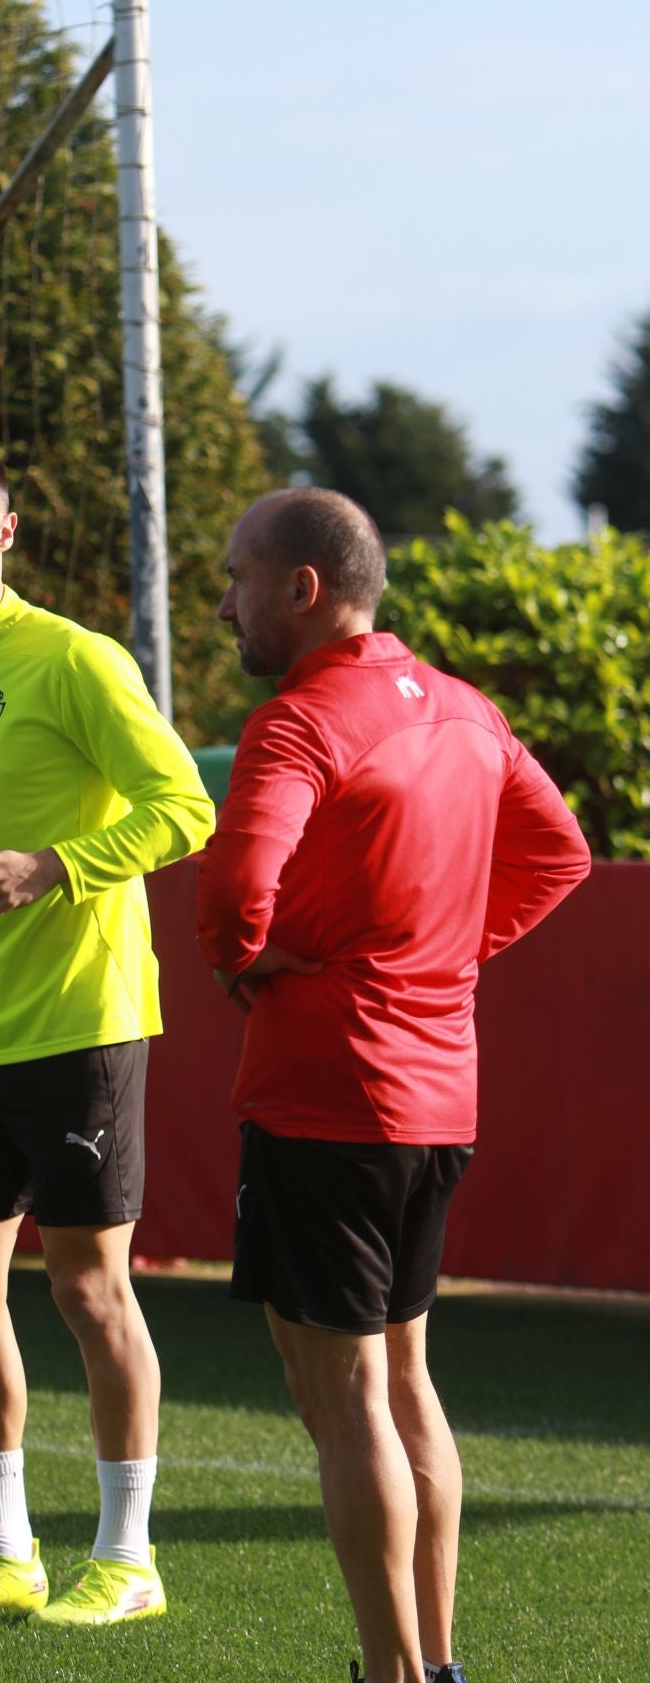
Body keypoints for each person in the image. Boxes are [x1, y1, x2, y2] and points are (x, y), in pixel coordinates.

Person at [195, 488, 592, 1683]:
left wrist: (243, 957)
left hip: (327, 1096)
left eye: (234, 578)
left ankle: (389, 1674)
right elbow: (558, 853)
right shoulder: (468, 711)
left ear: (301, 588)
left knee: (346, 1393)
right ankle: (431, 1668)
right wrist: (449, 953)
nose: (223, 604)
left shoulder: (298, 720)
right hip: (434, 1096)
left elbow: (229, 894)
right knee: (400, 1380)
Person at [0, 438, 214, 1628]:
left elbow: (186, 806)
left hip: (82, 1025)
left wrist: (56, 867)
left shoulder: (74, 659)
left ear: (3, 532)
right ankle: (4, 1553)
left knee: (85, 1288)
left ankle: (127, 1560)